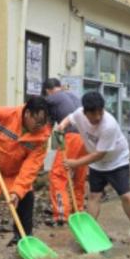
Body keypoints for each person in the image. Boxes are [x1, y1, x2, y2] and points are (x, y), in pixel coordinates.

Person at [56, 91, 130, 242]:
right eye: (93, 114)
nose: (98, 117)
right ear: (85, 112)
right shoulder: (79, 114)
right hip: (97, 164)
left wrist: (74, 163)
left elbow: (99, 154)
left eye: (100, 112)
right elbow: (70, 118)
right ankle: (91, 232)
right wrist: (61, 126)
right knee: (94, 196)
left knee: (125, 195)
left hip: (117, 161)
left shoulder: (109, 125)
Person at [0, 95, 51, 245]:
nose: (40, 126)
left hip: (16, 173)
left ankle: (23, 240)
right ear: (27, 114)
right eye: (37, 122)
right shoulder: (4, 114)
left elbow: (30, 167)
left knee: (26, 200)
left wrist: (17, 191)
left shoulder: (42, 137)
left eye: (43, 123)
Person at [42, 77, 86, 224]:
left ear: (48, 91)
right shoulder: (73, 96)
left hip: (71, 137)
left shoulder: (51, 98)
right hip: (86, 139)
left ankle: (61, 215)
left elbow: (39, 111)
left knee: (57, 176)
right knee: (78, 175)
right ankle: (77, 209)